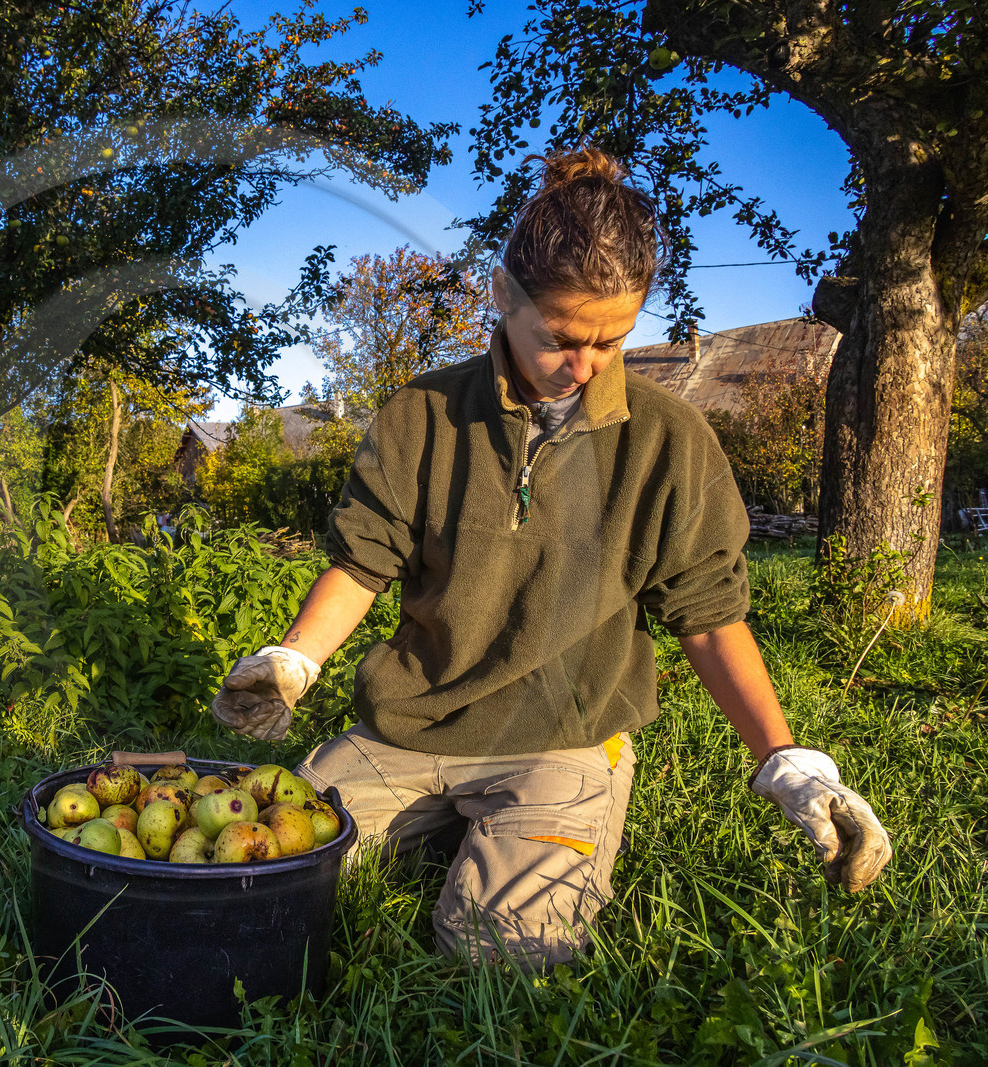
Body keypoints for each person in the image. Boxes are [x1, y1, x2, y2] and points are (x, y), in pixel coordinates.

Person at [211, 148, 892, 970]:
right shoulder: (420, 413)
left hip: (563, 738)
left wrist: (788, 762)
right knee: (252, 882)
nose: (586, 366)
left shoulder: (668, 442)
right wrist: (292, 660)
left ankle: (506, 845)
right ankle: (461, 833)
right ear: (503, 294)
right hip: (410, 724)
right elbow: (362, 562)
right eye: (562, 338)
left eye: (613, 342)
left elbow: (710, 618)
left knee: (495, 954)